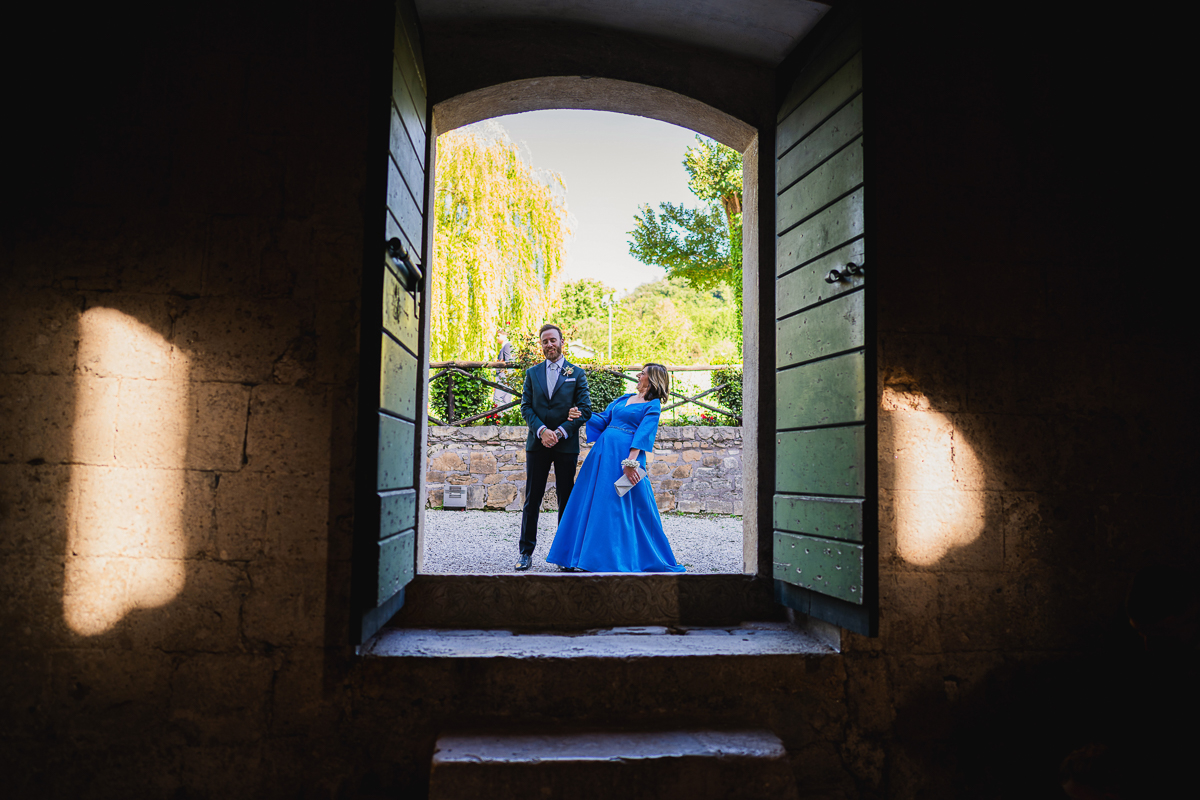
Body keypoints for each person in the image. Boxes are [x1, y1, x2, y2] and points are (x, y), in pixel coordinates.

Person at [546, 363, 685, 573]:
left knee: (619, 507)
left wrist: (630, 464)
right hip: (602, 455)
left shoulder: (653, 405)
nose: (638, 375)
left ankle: (613, 559)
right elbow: (603, 419)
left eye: (642, 373)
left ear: (652, 379)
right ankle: (579, 556)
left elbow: (644, 434)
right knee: (592, 502)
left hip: (625, 458)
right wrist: (582, 413)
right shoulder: (623, 399)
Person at [515, 324, 592, 571]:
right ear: (541, 345)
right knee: (532, 498)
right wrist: (542, 431)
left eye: (553, 340)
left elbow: (585, 410)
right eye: (545, 341)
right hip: (537, 444)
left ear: (561, 342)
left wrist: (558, 432)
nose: (549, 344)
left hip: (565, 445)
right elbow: (526, 407)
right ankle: (525, 552)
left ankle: (564, 555)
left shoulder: (576, 374)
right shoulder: (532, 373)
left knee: (565, 498)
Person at [494, 329, 513, 407]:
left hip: (505, 377)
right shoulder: (505, 346)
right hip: (506, 377)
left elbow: (510, 362)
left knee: (497, 398)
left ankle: (499, 414)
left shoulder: (507, 346)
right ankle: (506, 414)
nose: (497, 338)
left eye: (499, 336)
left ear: (505, 336)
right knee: (506, 400)